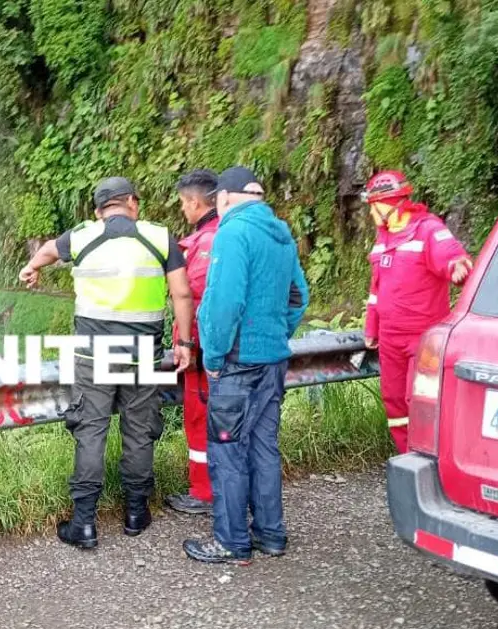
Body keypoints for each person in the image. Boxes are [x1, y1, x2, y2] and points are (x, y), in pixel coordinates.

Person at [20, 177, 195, 549]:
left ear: (98, 211)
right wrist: (182, 341)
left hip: (93, 356)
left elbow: (49, 250)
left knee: (90, 431)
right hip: (143, 354)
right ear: (132, 202)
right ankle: (135, 513)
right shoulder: (160, 237)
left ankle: (84, 524)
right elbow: (181, 292)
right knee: (139, 429)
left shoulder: (83, 235)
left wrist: (32, 268)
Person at [184, 167, 309, 565]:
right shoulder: (281, 233)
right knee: (263, 448)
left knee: (227, 452)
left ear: (223, 199)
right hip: (272, 360)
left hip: (237, 364)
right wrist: (275, 333)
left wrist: (215, 357)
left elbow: (223, 304)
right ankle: (271, 535)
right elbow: (298, 296)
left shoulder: (233, 232)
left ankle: (231, 542)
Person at [361, 170, 473, 453]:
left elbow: (450, 254)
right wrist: (371, 328)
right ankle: (407, 458)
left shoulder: (428, 228)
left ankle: (431, 459)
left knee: (421, 399)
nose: (371, 213)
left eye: (374, 206)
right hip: (390, 338)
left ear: (390, 204)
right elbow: (376, 290)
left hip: (422, 337)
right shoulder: (382, 238)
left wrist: (457, 266)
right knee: (394, 400)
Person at [164, 169, 223, 517]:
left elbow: (195, 298)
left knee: (200, 419)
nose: (183, 210)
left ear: (194, 202)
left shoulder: (205, 243)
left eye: (184, 204)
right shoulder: (232, 234)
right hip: (235, 350)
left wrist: (189, 345)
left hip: (202, 352)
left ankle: (203, 492)